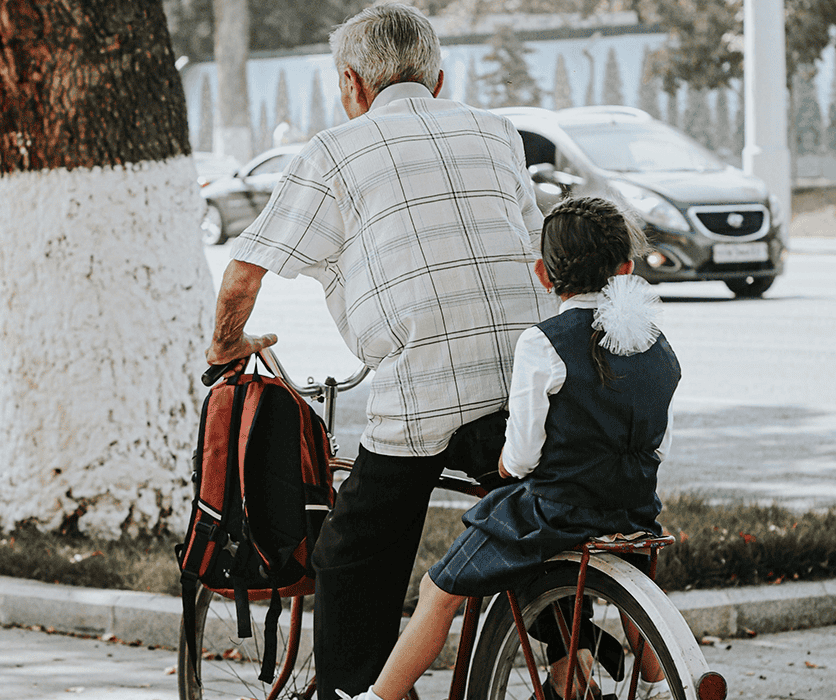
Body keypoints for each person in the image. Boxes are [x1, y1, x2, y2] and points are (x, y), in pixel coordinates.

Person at [202, 4, 556, 699]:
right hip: (531, 381)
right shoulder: (498, 132)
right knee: (531, 515)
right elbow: (540, 250)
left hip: (424, 393)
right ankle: (571, 650)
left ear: (352, 84)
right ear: (439, 80)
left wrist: (225, 348)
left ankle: (360, 691)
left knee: (352, 553)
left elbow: (244, 273)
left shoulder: (335, 150)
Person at [338, 197, 680, 700]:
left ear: (543, 274)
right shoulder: (655, 341)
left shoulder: (544, 342)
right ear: (626, 269)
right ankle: (661, 683)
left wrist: (502, 462)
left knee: (439, 590)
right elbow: (658, 444)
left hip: (554, 512)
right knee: (634, 578)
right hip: (634, 506)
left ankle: (375, 698)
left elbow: (521, 457)